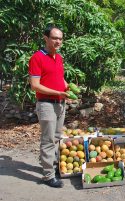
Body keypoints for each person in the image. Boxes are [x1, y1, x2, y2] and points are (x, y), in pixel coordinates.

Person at [29, 25, 68, 188]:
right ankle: (48, 175)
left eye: (60, 38)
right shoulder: (37, 58)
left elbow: (60, 79)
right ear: (46, 38)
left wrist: (67, 89)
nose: (58, 41)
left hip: (60, 103)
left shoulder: (58, 58)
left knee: (57, 138)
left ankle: (52, 166)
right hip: (46, 104)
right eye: (54, 38)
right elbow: (35, 85)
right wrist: (58, 92)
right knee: (48, 139)